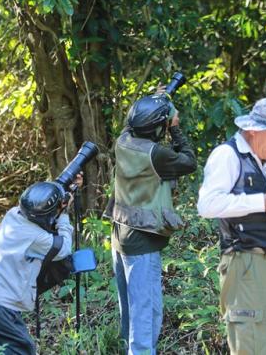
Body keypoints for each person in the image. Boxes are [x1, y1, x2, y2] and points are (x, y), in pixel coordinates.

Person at [197, 97, 266, 355]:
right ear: (254, 130)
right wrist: (263, 202)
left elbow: (261, 204)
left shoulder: (261, 161)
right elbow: (207, 205)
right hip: (248, 265)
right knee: (252, 347)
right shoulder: (227, 155)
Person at [105, 93, 197, 355]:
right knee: (144, 314)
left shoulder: (122, 141)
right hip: (142, 242)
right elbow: (189, 161)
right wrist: (175, 128)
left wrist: (156, 102)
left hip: (120, 234)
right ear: (159, 127)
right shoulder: (155, 154)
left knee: (134, 311)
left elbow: (134, 121)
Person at [0, 177, 81, 355]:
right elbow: (64, 248)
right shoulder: (36, 237)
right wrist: (65, 212)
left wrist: (63, 192)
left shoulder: (14, 214)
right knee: (22, 351)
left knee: (11, 349)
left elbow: (42, 200)